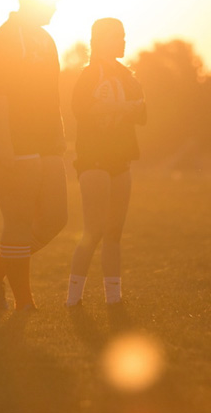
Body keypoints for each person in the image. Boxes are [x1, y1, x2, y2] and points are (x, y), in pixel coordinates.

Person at [0, 0, 68, 311]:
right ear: (32, 3)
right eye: (51, 1)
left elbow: (51, 94)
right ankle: (24, 303)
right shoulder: (2, 39)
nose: (56, 7)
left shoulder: (45, 38)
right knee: (18, 220)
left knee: (56, 217)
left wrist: (59, 135)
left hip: (44, 139)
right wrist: (5, 144)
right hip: (10, 137)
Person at [65, 18, 146, 307]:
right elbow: (81, 110)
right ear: (101, 40)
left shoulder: (126, 74)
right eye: (118, 36)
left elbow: (142, 112)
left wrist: (131, 107)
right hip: (93, 158)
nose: (124, 41)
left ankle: (114, 299)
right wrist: (120, 107)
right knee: (94, 231)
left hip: (120, 159)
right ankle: (73, 299)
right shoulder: (89, 74)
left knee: (114, 233)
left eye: (124, 36)